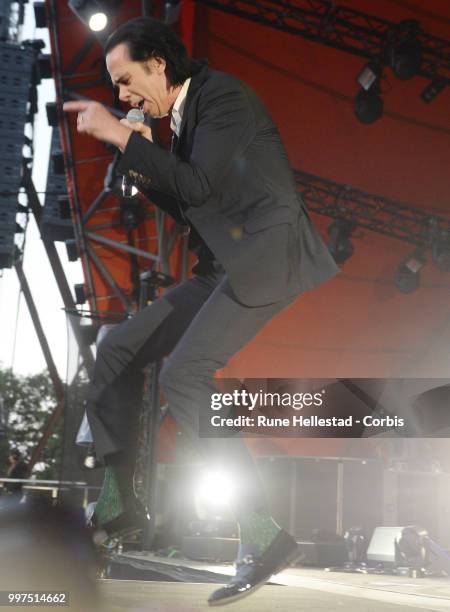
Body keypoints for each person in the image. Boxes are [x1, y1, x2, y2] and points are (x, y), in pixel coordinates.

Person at [63, 16, 339, 605]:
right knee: (116, 350)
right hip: (226, 264)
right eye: (114, 87)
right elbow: (188, 201)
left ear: (159, 64)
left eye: (126, 79)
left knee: (184, 372)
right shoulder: (181, 116)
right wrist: (135, 152)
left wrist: (122, 137)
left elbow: (196, 185)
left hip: (268, 256)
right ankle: (119, 507)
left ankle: (263, 534)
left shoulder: (223, 97)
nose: (121, 95)